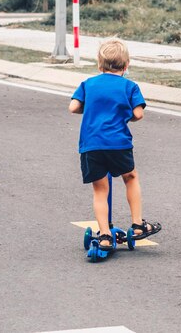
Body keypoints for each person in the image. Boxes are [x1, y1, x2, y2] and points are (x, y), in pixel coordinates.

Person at [69, 38, 161, 251]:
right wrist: (124, 116)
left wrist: (92, 109)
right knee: (130, 177)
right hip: (118, 143)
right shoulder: (130, 86)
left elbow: (73, 108)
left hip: (92, 144)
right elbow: (139, 114)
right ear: (127, 64)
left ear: (99, 65)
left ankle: (104, 236)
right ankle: (138, 225)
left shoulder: (88, 84)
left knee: (100, 190)